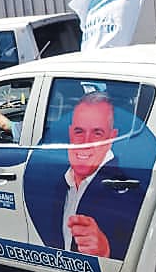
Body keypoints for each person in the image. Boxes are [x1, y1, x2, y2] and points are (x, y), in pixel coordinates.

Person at [24, 92, 145, 260]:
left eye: (97, 133)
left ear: (112, 137)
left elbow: (137, 249)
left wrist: (106, 251)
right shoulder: (55, 183)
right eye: (79, 132)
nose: (86, 142)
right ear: (70, 133)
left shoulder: (128, 191)